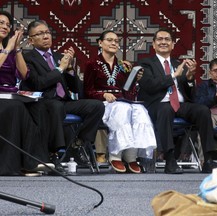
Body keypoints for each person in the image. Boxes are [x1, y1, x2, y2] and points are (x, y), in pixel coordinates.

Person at [20, 20, 105, 169]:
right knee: (56, 106)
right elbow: (38, 83)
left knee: (97, 106)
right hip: (43, 102)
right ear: (31, 40)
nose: (46, 36)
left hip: (64, 102)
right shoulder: (28, 58)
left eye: (47, 32)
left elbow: (78, 90)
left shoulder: (59, 57)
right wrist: (59, 69)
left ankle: (78, 143)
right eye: (40, 34)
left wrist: (70, 70)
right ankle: (55, 153)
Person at [137, 28, 217, 174]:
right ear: (153, 44)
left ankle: (208, 160)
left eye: (167, 39)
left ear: (172, 45)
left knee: (202, 110)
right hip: (158, 104)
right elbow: (149, 86)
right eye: (160, 39)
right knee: (165, 109)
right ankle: (170, 159)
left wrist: (190, 77)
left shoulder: (179, 64)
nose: (163, 42)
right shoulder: (146, 64)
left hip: (180, 104)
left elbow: (191, 95)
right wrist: (173, 76)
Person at [84, 30, 157, 173]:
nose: (113, 43)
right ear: (100, 43)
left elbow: (128, 94)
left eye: (116, 41)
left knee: (140, 111)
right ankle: (115, 155)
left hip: (122, 102)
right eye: (109, 40)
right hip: (103, 104)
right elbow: (87, 91)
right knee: (123, 109)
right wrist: (103, 94)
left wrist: (134, 80)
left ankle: (131, 157)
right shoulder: (91, 64)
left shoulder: (123, 66)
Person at [0, 11, 54, 175]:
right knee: (16, 107)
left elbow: (24, 74)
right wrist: (8, 48)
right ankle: (23, 163)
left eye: (7, 25)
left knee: (39, 107)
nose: (5, 27)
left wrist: (16, 50)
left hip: (10, 94)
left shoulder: (8, 47)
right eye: (1, 23)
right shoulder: (5, 48)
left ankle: (35, 159)